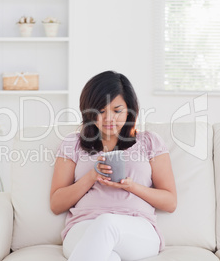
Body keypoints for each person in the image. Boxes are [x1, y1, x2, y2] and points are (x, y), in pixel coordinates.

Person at [50, 71, 177, 261]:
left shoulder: (149, 142)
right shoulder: (73, 143)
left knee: (107, 223)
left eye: (117, 111)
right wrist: (91, 177)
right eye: (101, 111)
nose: (109, 119)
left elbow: (170, 202)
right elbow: (56, 204)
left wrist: (131, 186)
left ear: (130, 110)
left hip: (136, 228)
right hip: (84, 227)